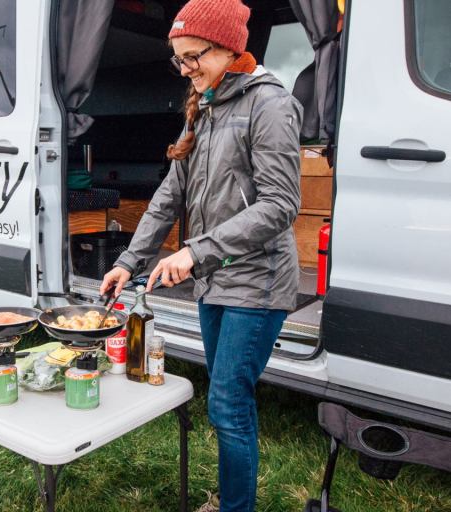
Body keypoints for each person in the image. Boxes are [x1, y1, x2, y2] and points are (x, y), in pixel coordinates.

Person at [99, 0, 302, 510]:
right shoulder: (206, 106)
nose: (187, 70)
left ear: (231, 47)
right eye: (180, 60)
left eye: (195, 57)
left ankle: (236, 507)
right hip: (216, 278)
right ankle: (233, 497)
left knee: (229, 403)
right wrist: (129, 260)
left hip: (258, 281)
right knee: (225, 399)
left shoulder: (269, 105)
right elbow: (170, 193)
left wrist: (195, 252)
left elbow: (280, 206)